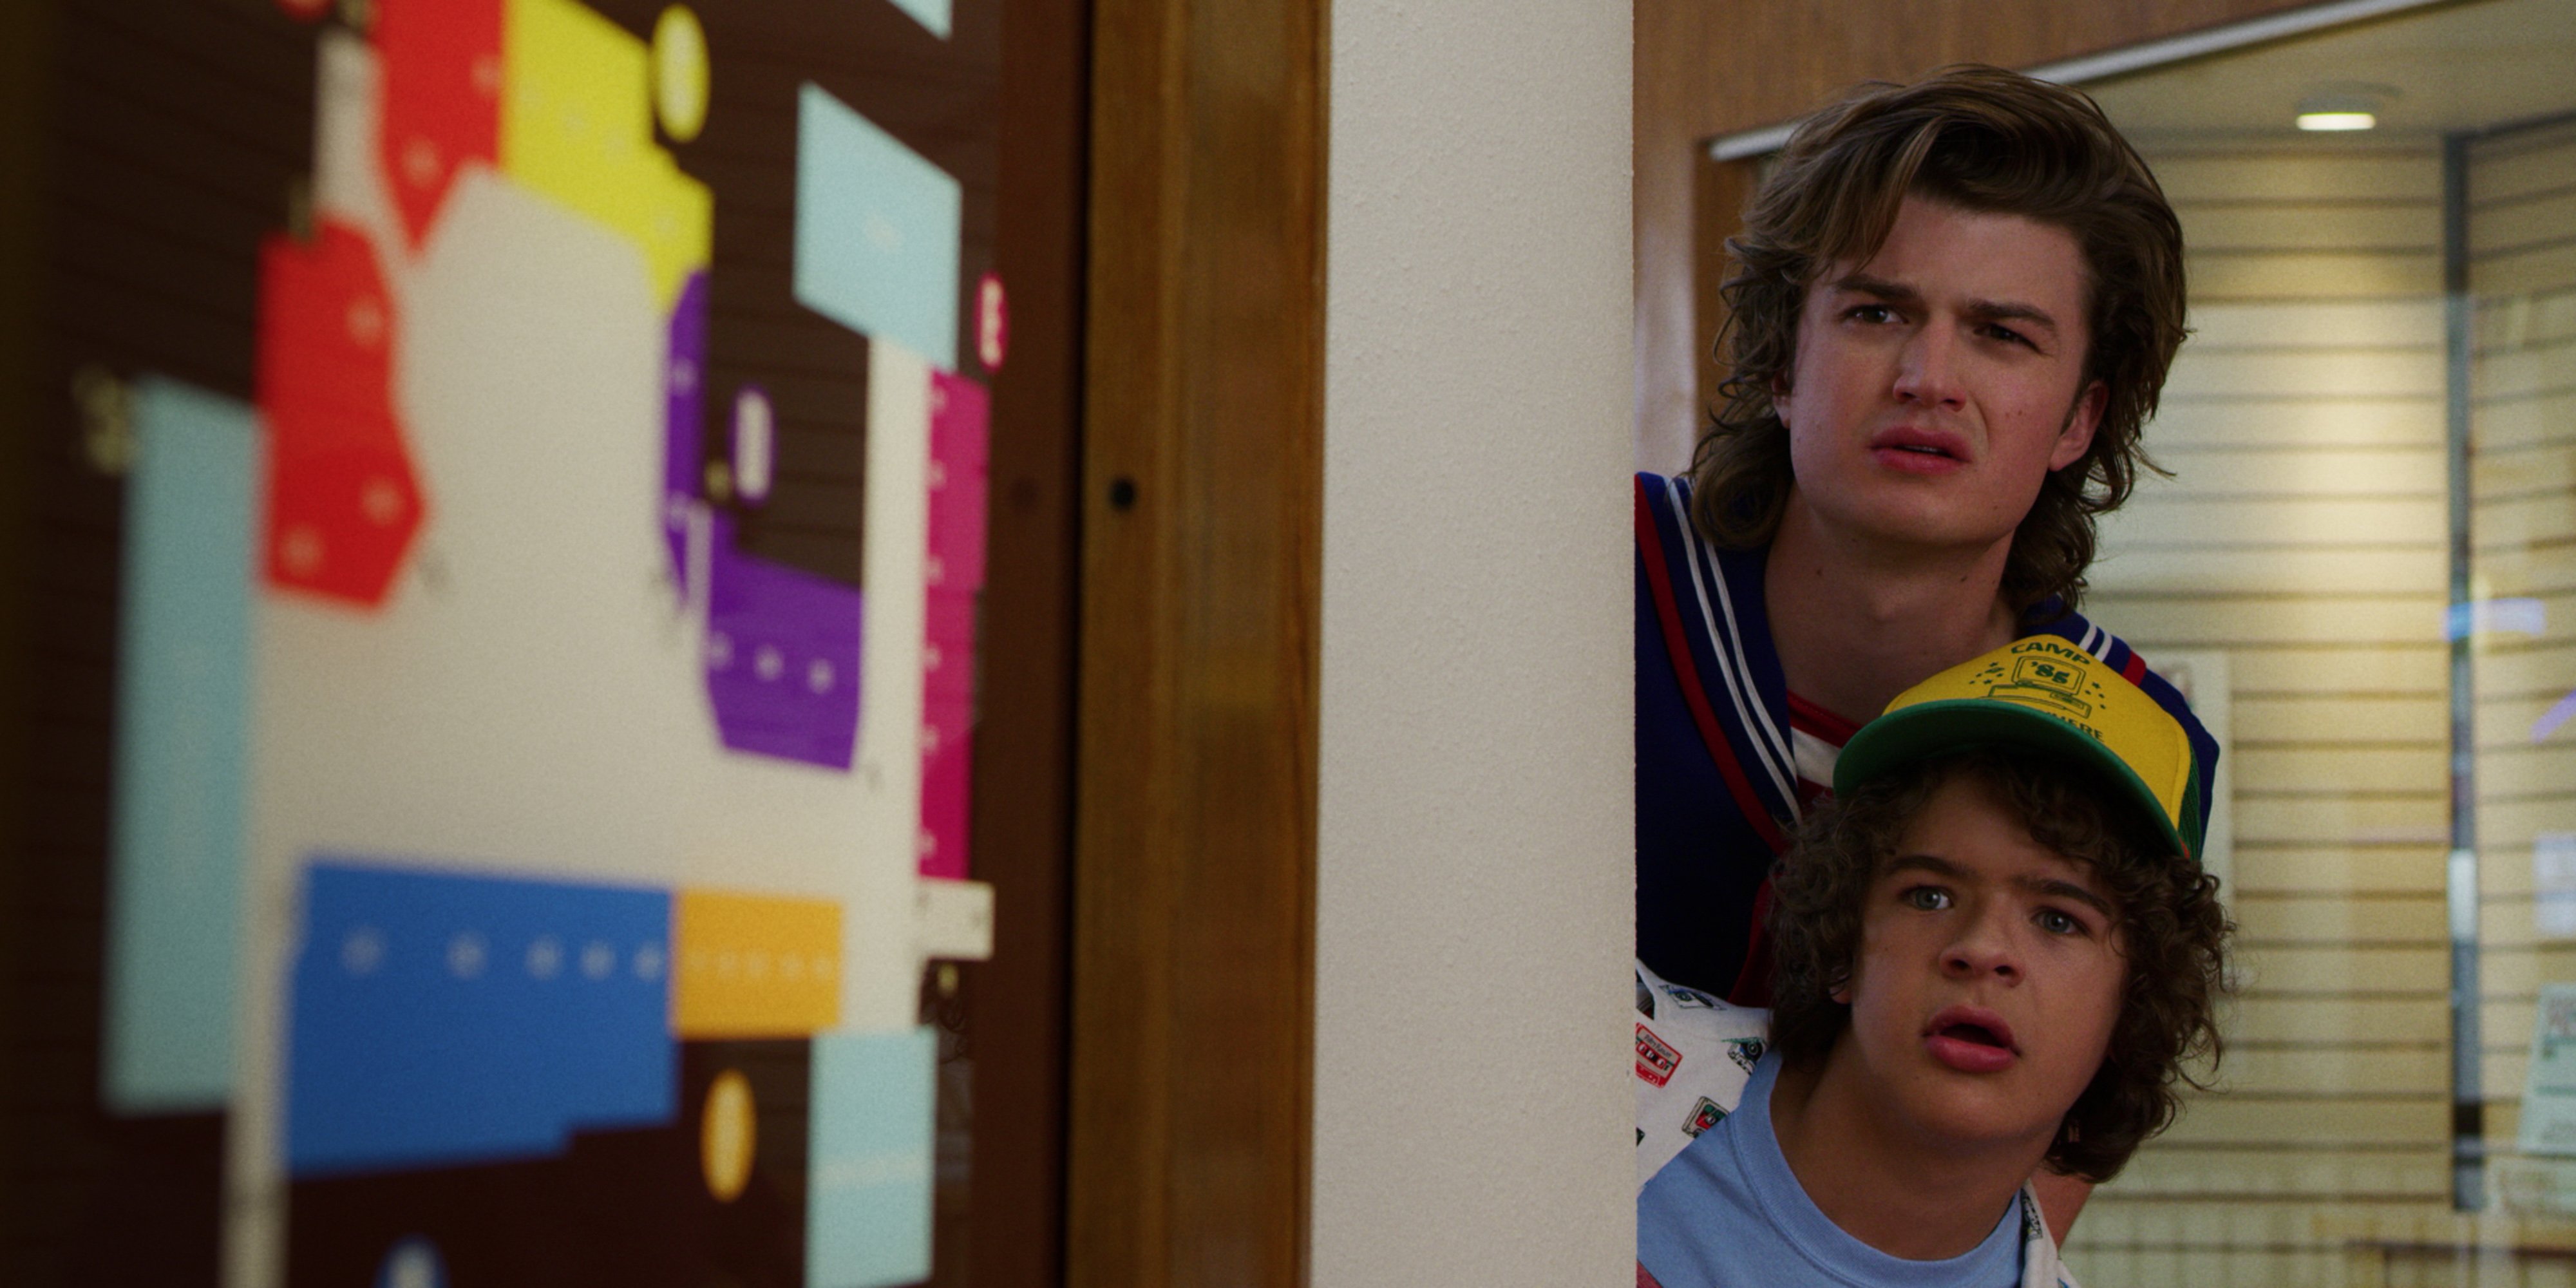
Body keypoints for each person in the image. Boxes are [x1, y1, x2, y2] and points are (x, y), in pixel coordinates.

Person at [1634, 64, 2215, 1232]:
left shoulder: (2128, 731)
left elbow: (2039, 1155)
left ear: (2081, 419)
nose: (1928, 379)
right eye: (1876, 314)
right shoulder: (1589, 585)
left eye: (2001, 335)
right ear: (1781, 363)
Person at [1633, 637, 2231, 1288]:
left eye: (2058, 919)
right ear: (1844, 946)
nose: (1982, 947)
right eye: (1930, 896)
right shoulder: (1603, 1071)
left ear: (2132, 1009)